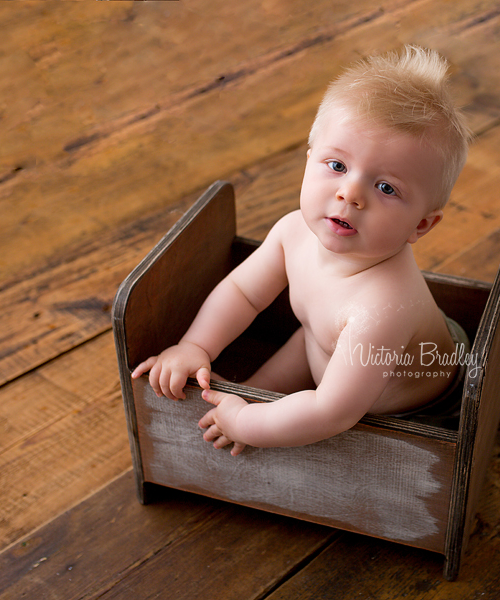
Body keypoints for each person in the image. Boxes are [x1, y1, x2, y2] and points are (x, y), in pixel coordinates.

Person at [132, 46, 472, 455]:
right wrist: (196, 346)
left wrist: (246, 422)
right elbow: (242, 292)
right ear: (309, 160)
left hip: (416, 406)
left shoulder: (383, 309)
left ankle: (247, 407)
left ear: (421, 224)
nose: (350, 194)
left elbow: (332, 414)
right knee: (310, 334)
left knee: (317, 368)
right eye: (337, 165)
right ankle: (253, 394)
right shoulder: (293, 231)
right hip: (326, 345)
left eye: (386, 188)